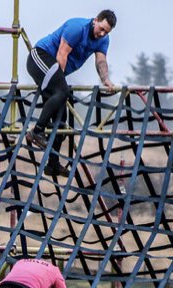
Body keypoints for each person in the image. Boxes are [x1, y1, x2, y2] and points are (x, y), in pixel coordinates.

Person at [26, 10, 117, 178]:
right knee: (62, 92)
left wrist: (106, 80)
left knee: (61, 120)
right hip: (40, 58)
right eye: (101, 28)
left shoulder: (103, 39)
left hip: (54, 71)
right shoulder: (77, 28)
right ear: (95, 20)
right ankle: (36, 131)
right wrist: (59, 85)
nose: (102, 34)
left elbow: (101, 60)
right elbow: (62, 54)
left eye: (106, 32)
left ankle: (52, 164)